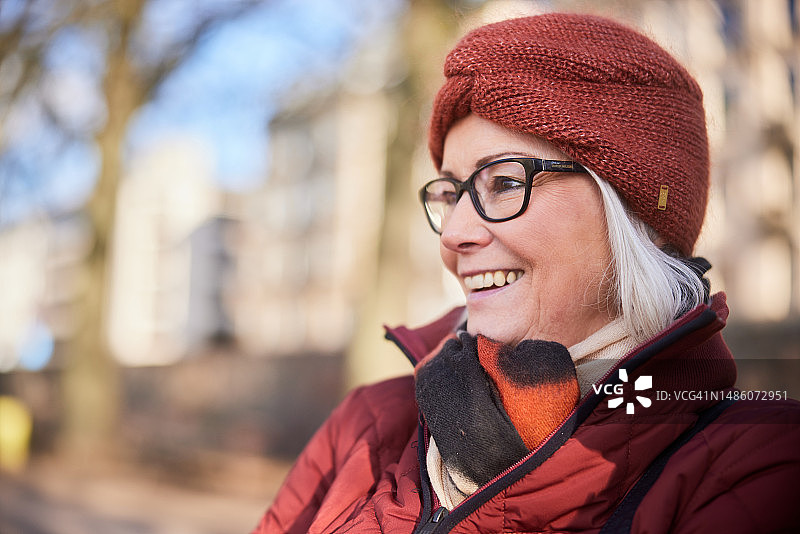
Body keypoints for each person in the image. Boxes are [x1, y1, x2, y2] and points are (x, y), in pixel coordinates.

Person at [252, 13, 800, 533]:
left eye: (506, 183)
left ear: (635, 219)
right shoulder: (369, 422)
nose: (453, 233)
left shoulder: (762, 462)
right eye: (452, 193)